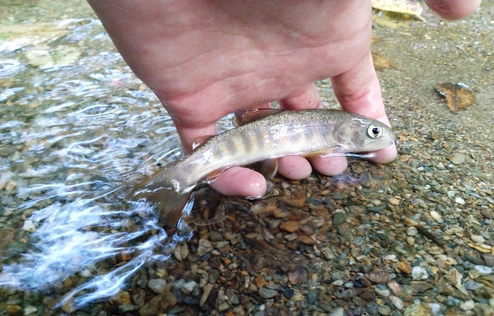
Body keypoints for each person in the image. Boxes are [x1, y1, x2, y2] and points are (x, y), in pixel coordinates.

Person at [87, 0, 481, 198]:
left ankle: (173, 181)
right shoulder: (334, 132)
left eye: (375, 132)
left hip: (262, 134)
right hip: (261, 135)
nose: (377, 134)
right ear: (349, 132)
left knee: (259, 166)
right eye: (373, 131)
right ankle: (176, 180)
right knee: (255, 167)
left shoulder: (337, 130)